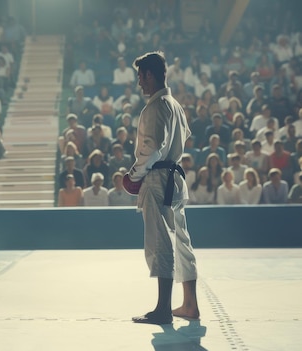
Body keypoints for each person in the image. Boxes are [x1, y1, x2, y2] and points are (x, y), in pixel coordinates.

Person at [123, 52, 199, 325]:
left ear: (149, 75)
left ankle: (163, 309)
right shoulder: (175, 105)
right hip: (175, 178)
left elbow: (152, 148)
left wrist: (133, 175)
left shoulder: (156, 107)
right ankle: (190, 304)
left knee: (161, 243)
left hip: (158, 179)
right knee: (181, 242)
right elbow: (183, 137)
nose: (139, 83)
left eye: (140, 77)